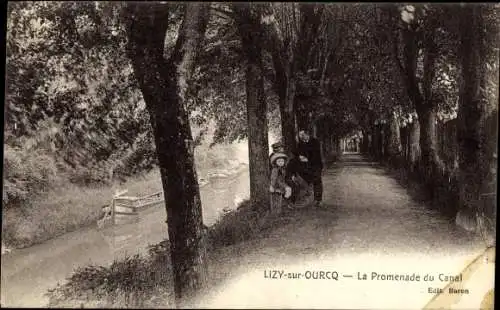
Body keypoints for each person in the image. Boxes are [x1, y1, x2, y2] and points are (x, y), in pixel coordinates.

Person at [297, 129, 323, 207]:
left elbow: (316, 154)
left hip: (316, 165)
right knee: (308, 181)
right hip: (306, 166)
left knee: (317, 181)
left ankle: (318, 200)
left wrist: (307, 159)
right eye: (300, 135)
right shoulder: (300, 143)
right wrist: (300, 157)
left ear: (306, 134)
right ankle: (305, 197)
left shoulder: (315, 141)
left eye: (302, 135)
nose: (301, 137)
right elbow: (299, 152)